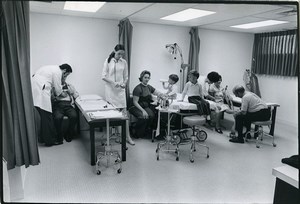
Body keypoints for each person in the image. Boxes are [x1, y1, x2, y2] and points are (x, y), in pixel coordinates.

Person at [32, 63, 72, 146]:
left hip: (36, 90)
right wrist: (63, 94)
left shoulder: (49, 68)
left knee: (43, 117)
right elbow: (58, 90)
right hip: (41, 92)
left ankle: (42, 138)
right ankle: (49, 141)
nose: (65, 77)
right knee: (47, 117)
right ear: (64, 70)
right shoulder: (57, 72)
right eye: (66, 75)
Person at [102, 44, 135, 145]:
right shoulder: (108, 61)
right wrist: (113, 82)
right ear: (114, 51)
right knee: (113, 115)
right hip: (111, 92)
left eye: (122, 54)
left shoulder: (124, 62)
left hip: (120, 92)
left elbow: (126, 76)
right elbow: (103, 76)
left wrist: (124, 83)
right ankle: (118, 136)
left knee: (124, 115)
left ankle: (127, 137)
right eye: (119, 53)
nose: (120, 56)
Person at [129, 70, 165, 139]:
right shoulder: (138, 88)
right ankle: (135, 131)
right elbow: (135, 102)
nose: (147, 79)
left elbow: (156, 92)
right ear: (141, 77)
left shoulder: (149, 87)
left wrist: (163, 95)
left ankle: (145, 130)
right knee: (143, 117)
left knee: (151, 115)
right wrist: (143, 111)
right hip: (135, 107)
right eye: (145, 77)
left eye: (148, 78)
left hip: (145, 106)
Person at [52, 74, 79, 143]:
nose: (63, 79)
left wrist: (71, 91)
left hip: (68, 105)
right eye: (61, 78)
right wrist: (55, 95)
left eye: (64, 77)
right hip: (58, 105)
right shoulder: (54, 87)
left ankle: (69, 134)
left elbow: (76, 95)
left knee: (74, 116)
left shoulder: (69, 85)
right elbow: (51, 98)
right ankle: (59, 136)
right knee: (57, 118)